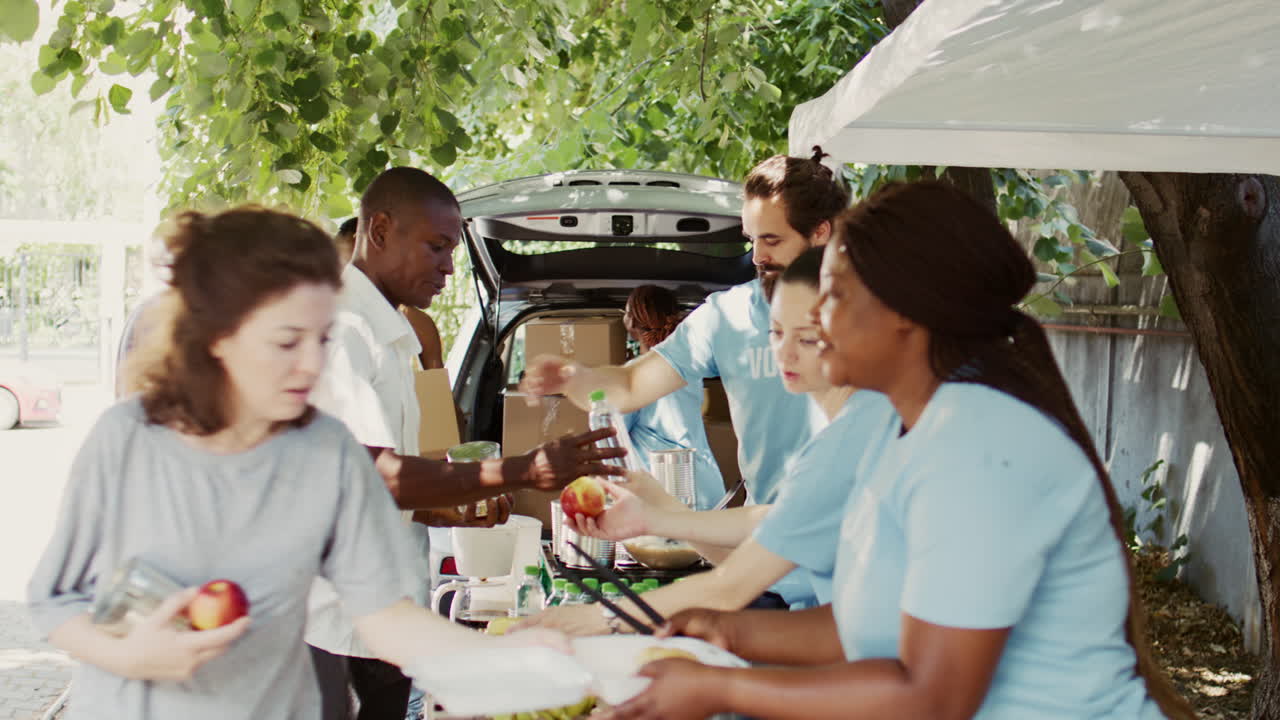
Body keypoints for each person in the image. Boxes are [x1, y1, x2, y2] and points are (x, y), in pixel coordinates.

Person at [600, 182, 1196, 720]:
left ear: (904, 313)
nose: (817, 317)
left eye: (834, 294)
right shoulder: (899, 433)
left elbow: (934, 697)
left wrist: (721, 688)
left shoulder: (977, 447)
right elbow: (869, 626)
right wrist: (724, 632)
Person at [26, 206, 567, 720]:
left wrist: (503, 654)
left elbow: (384, 617)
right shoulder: (127, 438)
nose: (312, 364)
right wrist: (125, 653)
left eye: (322, 338)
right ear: (216, 335)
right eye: (287, 342)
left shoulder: (327, 451)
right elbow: (54, 599)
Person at [307, 167, 621, 720]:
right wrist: (523, 470)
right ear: (379, 230)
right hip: (342, 623)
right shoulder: (345, 333)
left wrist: (441, 508)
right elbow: (367, 474)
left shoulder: (385, 333)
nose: (449, 268)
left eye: (452, 251)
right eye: (436, 247)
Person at [521, 151, 849, 607]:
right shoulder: (728, 314)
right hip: (763, 572)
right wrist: (575, 377)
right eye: (751, 239)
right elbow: (630, 386)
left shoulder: (869, 315)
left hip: (848, 572)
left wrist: (664, 515)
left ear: (820, 233)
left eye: (771, 239)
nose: (757, 256)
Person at [523, 249, 897, 635]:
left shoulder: (858, 437)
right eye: (776, 332)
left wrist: (600, 618)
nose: (783, 353)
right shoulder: (844, 430)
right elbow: (765, 535)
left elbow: (732, 584)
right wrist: (655, 509)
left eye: (806, 337)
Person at [620, 285, 724, 510]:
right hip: (708, 487)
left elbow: (613, 440)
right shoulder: (690, 370)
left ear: (631, 321)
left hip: (669, 490)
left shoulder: (634, 376)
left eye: (625, 312)